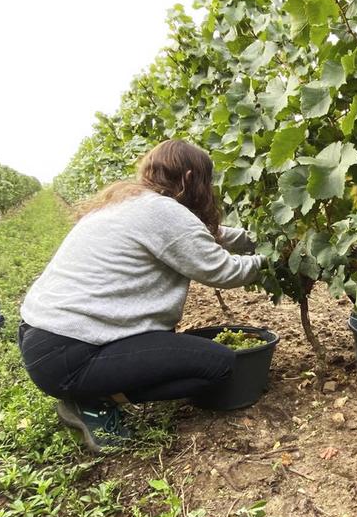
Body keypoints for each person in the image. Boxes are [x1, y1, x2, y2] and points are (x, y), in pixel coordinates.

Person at [18, 140, 266, 453]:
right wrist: (273, 260)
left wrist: (258, 239)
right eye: (206, 181)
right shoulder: (163, 213)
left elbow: (205, 233)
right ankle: (94, 402)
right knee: (219, 365)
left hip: (46, 342)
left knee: (174, 345)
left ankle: (95, 388)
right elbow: (225, 271)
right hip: (69, 356)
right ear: (190, 178)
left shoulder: (132, 203)